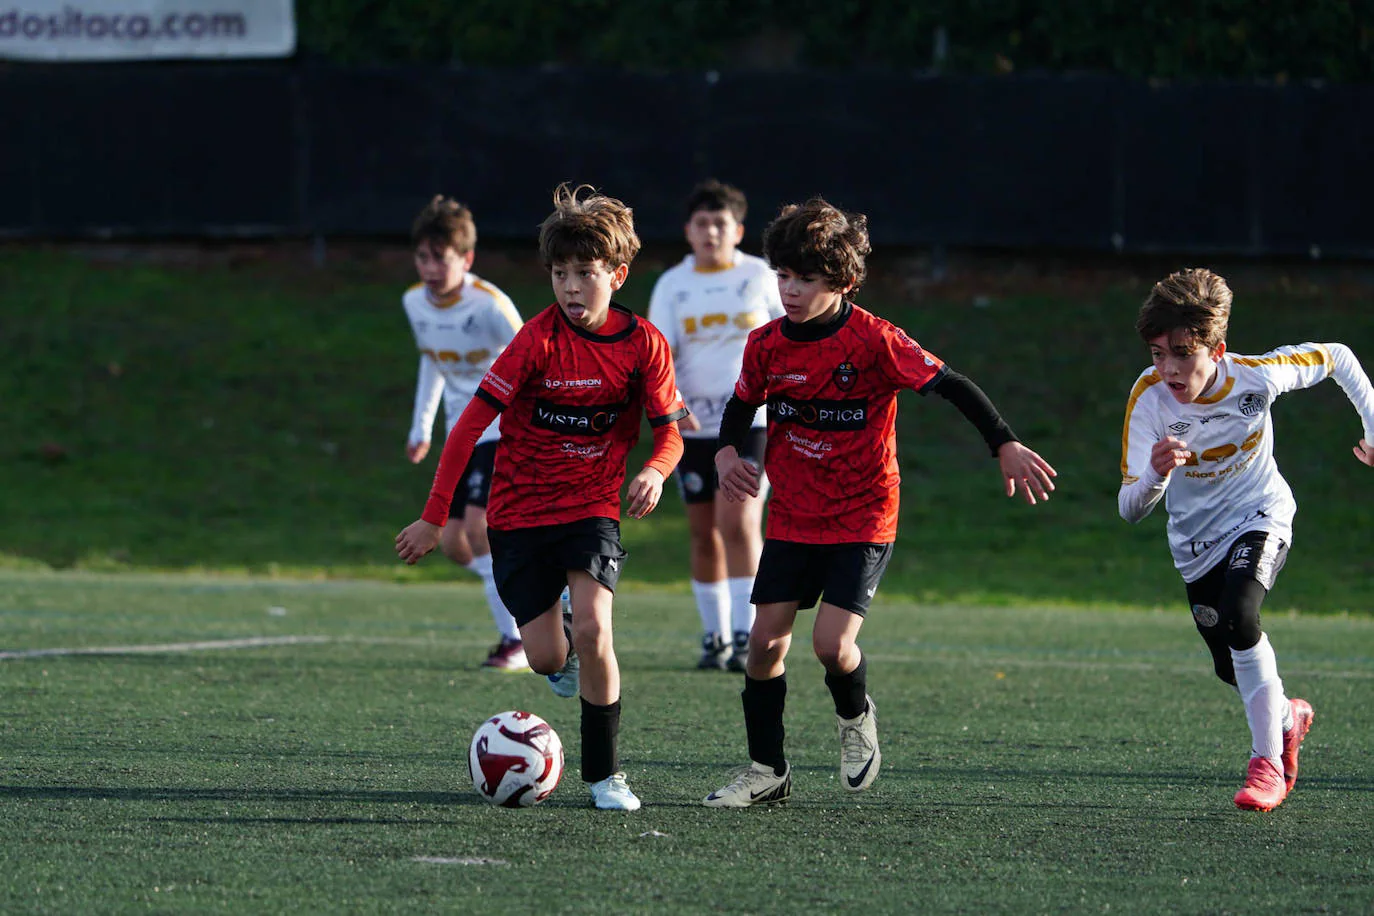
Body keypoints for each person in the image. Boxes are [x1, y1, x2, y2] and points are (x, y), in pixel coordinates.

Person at [702, 198, 1057, 807]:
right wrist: (727, 456)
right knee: (762, 645)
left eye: (805, 279)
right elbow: (740, 408)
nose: (789, 289)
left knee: (831, 646)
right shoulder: (765, 344)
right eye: (782, 276)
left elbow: (953, 386)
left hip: (864, 514)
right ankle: (767, 771)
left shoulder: (874, 340)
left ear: (842, 281)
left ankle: (855, 716)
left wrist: (1004, 443)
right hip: (792, 514)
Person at [396, 183, 688, 812]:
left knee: (594, 631)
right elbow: (470, 424)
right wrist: (433, 516)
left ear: (617, 273)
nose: (571, 287)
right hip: (519, 515)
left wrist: (657, 473)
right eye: (560, 273)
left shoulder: (645, 345)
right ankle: (555, 641)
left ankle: (607, 777)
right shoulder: (535, 340)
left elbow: (671, 436)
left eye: (585, 273)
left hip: (590, 510)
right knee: (547, 654)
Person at [1118, 267, 1374, 812]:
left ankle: (1267, 767)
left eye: (1181, 353)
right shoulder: (1148, 399)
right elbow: (1129, 508)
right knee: (1227, 663)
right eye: (1157, 353)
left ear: (1217, 347)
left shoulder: (1258, 377)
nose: (1167, 368)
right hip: (1194, 545)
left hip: (1260, 515)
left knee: (1240, 614)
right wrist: (1156, 474)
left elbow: (1339, 358)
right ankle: (1288, 716)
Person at [647, 179, 784, 672]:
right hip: (694, 427)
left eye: (720, 223)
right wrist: (673, 409)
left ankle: (750, 636)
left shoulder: (762, 277)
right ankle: (715, 637)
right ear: (688, 230)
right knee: (703, 532)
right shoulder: (673, 285)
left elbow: (788, 338)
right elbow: (658, 355)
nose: (711, 232)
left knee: (739, 522)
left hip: (751, 422)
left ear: (739, 230)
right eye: (702, 223)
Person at [402, 196, 529, 672]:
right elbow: (432, 362)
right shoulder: (414, 301)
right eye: (423, 257)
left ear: (467, 259)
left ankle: (516, 639)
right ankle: (544, 599)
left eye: (442, 258)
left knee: (480, 531)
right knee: (454, 542)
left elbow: (532, 359)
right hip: (462, 434)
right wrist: (421, 428)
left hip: (503, 429)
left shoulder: (491, 305)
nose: (431, 268)